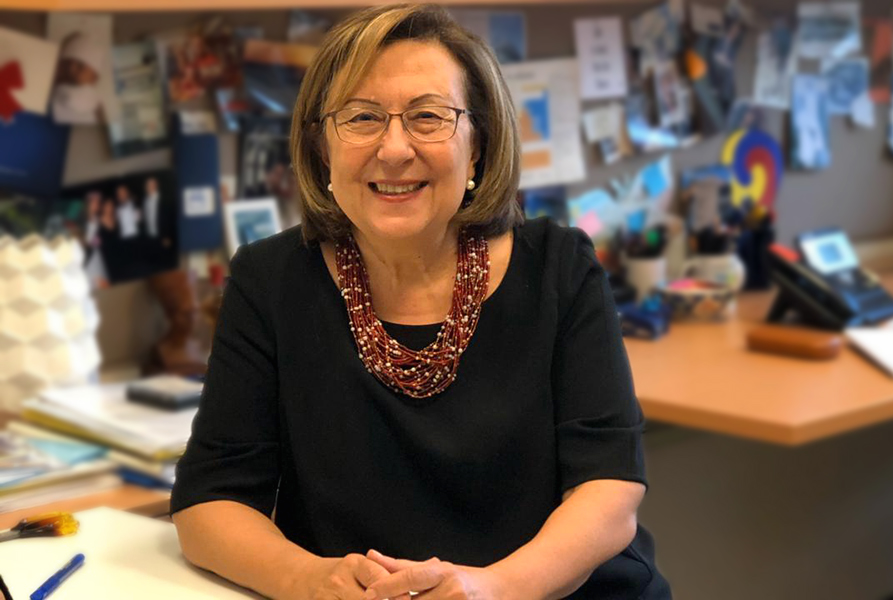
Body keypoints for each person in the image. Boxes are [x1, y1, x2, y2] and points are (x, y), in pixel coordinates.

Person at [170, 5, 671, 600]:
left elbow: (611, 492)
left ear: (478, 144)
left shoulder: (559, 266)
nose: (394, 149)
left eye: (428, 117)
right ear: (322, 146)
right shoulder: (269, 280)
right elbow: (209, 502)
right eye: (361, 118)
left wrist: (494, 589)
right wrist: (307, 580)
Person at [51, 31, 105, 124]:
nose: (71, 69)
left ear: (94, 77)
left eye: (80, 65)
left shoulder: (98, 113)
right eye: (66, 64)